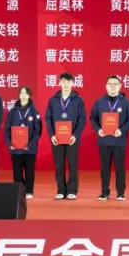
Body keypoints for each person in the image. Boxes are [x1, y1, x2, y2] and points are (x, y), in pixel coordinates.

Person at [90, 75, 129, 201]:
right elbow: (93, 118)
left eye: (115, 84)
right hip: (104, 140)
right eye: (110, 84)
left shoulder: (126, 102)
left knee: (120, 168)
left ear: (120, 86)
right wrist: (98, 130)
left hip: (119, 140)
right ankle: (104, 192)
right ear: (106, 86)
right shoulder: (99, 102)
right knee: (104, 168)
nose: (113, 87)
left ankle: (120, 192)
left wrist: (122, 130)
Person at [45, 72, 86, 200]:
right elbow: (48, 117)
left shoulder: (78, 100)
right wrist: (52, 134)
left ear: (73, 83)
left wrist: (76, 135)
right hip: (57, 137)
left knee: (73, 164)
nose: (66, 84)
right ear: (59, 83)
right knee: (59, 165)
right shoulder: (53, 100)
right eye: (63, 81)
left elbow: (82, 119)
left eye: (68, 82)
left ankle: (72, 190)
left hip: (72, 138)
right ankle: (61, 190)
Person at [6, 87, 42, 199]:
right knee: (17, 171)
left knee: (29, 170)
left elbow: (38, 130)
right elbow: (7, 129)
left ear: (29, 96)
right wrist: (9, 143)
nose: (23, 95)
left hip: (30, 148)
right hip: (15, 148)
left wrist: (30, 144)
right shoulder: (12, 111)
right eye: (21, 93)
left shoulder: (34, 111)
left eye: (26, 93)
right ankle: (19, 191)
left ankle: (29, 191)